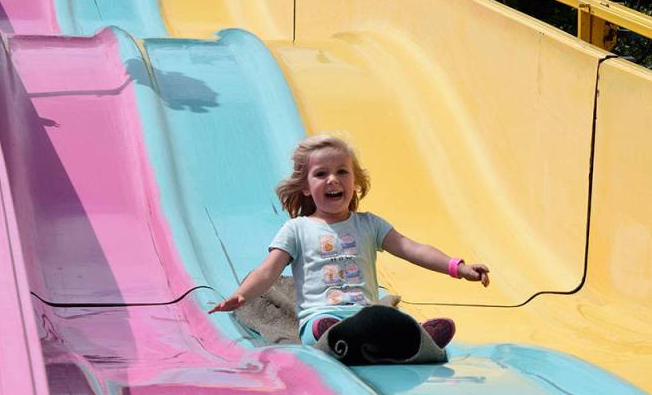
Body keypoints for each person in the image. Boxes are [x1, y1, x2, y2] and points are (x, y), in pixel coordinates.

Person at [208, 133, 490, 347]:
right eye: (321, 174)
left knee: (387, 319)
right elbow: (268, 271)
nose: (333, 179)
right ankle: (337, 337)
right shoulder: (297, 229)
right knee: (323, 326)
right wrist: (242, 295)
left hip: (365, 316)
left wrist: (457, 268)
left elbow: (412, 248)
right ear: (305, 187)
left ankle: (417, 337)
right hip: (320, 318)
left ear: (355, 181)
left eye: (342, 171)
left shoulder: (369, 224)